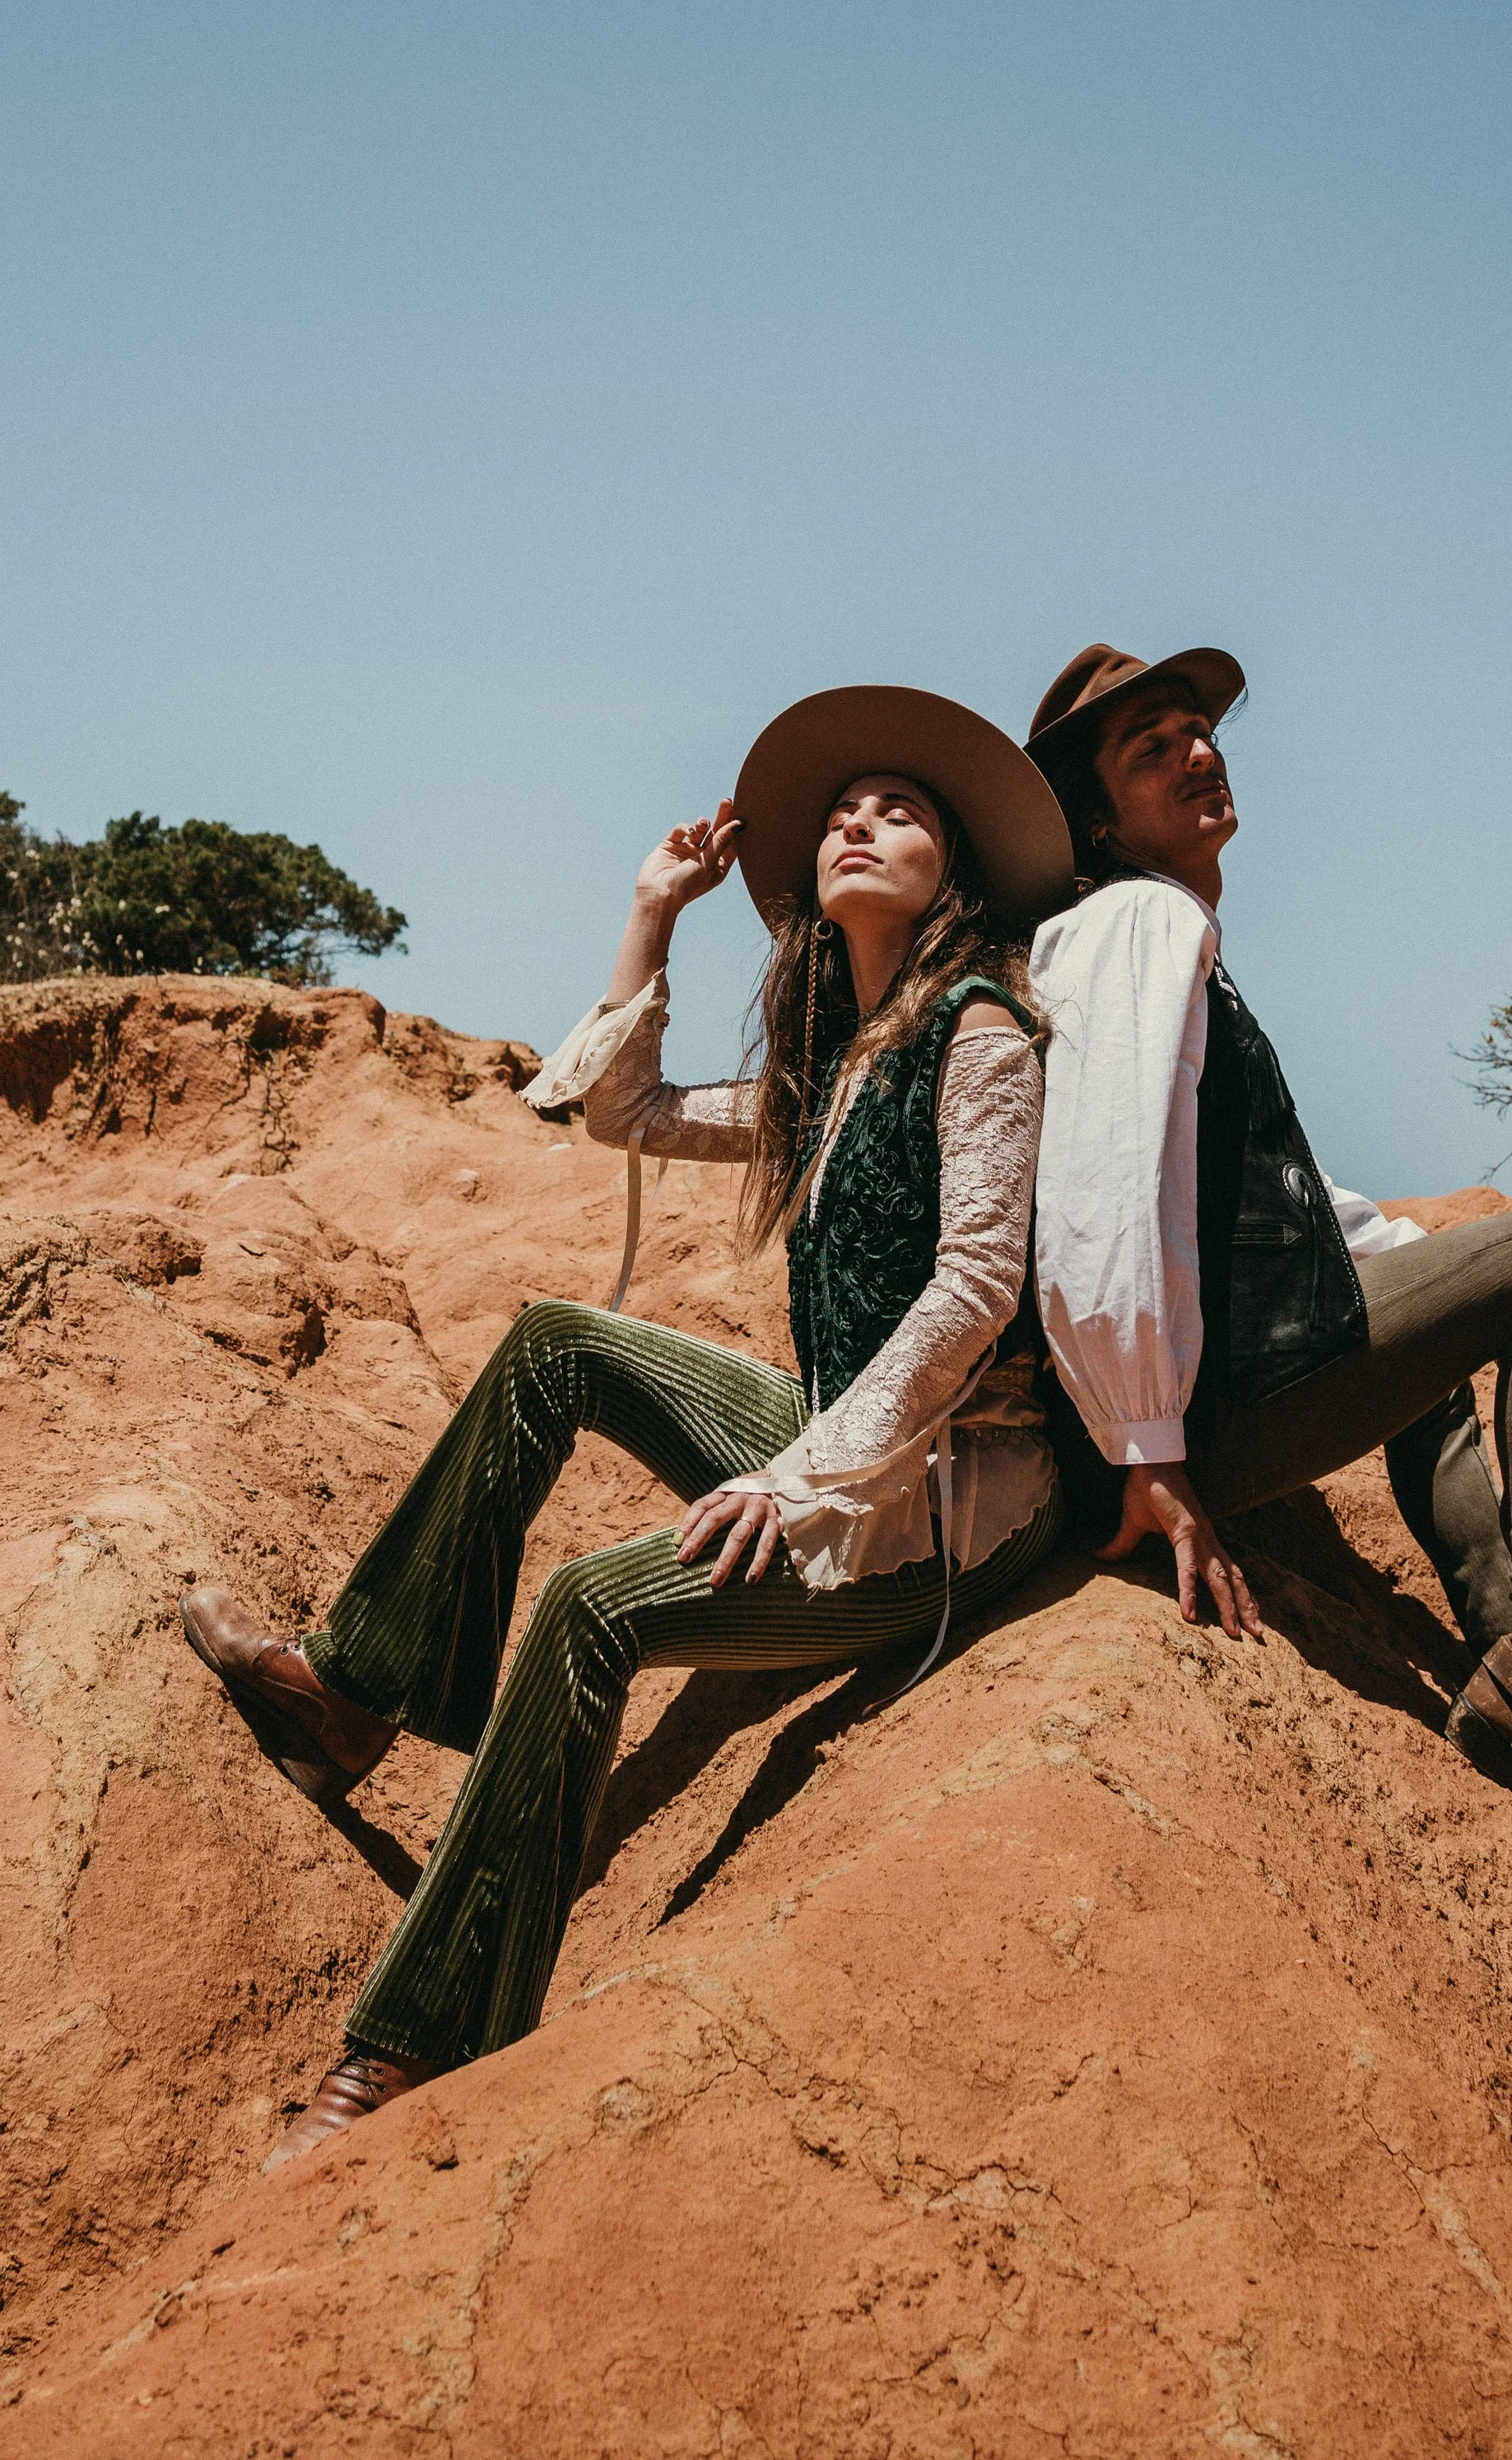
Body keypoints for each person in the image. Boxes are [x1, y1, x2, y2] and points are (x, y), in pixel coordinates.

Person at [181, 684, 1075, 2164]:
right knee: (556, 1344)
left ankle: (423, 2039)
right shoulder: (837, 1061)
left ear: (956, 871)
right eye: (843, 809)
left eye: (897, 810)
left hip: (942, 1501)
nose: (856, 820)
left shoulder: (981, 1030)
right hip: (834, 1436)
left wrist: (797, 1482)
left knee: (596, 1607)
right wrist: (655, 910)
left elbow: (979, 1284)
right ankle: (355, 1693)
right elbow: (628, 1112)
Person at [1023, 641, 1512, 1900]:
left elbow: (1266, 1193)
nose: (1196, 752)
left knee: (1425, 1331)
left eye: (1198, 728)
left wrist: (1427, 1273)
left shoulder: (1160, 931)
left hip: (1229, 1377)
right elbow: (1105, 1178)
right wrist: (1148, 1448)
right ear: (1097, 815)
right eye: (1150, 746)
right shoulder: (1137, 917)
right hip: (1201, 1419)